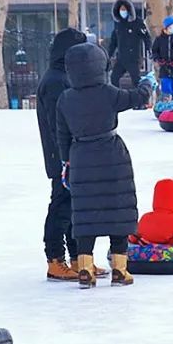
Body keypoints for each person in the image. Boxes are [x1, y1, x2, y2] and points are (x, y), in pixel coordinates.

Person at [56, 42, 153, 288]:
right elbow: (137, 98)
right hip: (112, 156)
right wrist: (146, 83)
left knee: (85, 216)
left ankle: (85, 268)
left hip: (81, 157)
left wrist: (67, 160)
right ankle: (120, 269)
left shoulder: (65, 99)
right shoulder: (109, 93)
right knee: (118, 211)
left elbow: (61, 135)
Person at [37, 27, 95, 282]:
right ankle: (54, 259)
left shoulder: (63, 76)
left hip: (71, 152)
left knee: (74, 206)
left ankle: (76, 258)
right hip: (61, 155)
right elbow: (58, 123)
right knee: (61, 206)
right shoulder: (55, 81)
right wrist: (66, 156)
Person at [107, 0, 151, 87]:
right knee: (114, 78)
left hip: (133, 59)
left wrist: (148, 49)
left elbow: (146, 37)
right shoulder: (118, 24)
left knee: (136, 80)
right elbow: (113, 42)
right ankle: (117, 97)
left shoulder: (137, 22)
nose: (122, 11)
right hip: (121, 58)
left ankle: (139, 98)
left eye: (124, 9)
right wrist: (108, 54)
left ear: (129, 10)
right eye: (121, 10)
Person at [152, 17, 173, 101]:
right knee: (166, 89)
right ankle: (165, 107)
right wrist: (158, 59)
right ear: (166, 27)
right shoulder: (159, 39)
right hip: (164, 69)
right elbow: (154, 52)